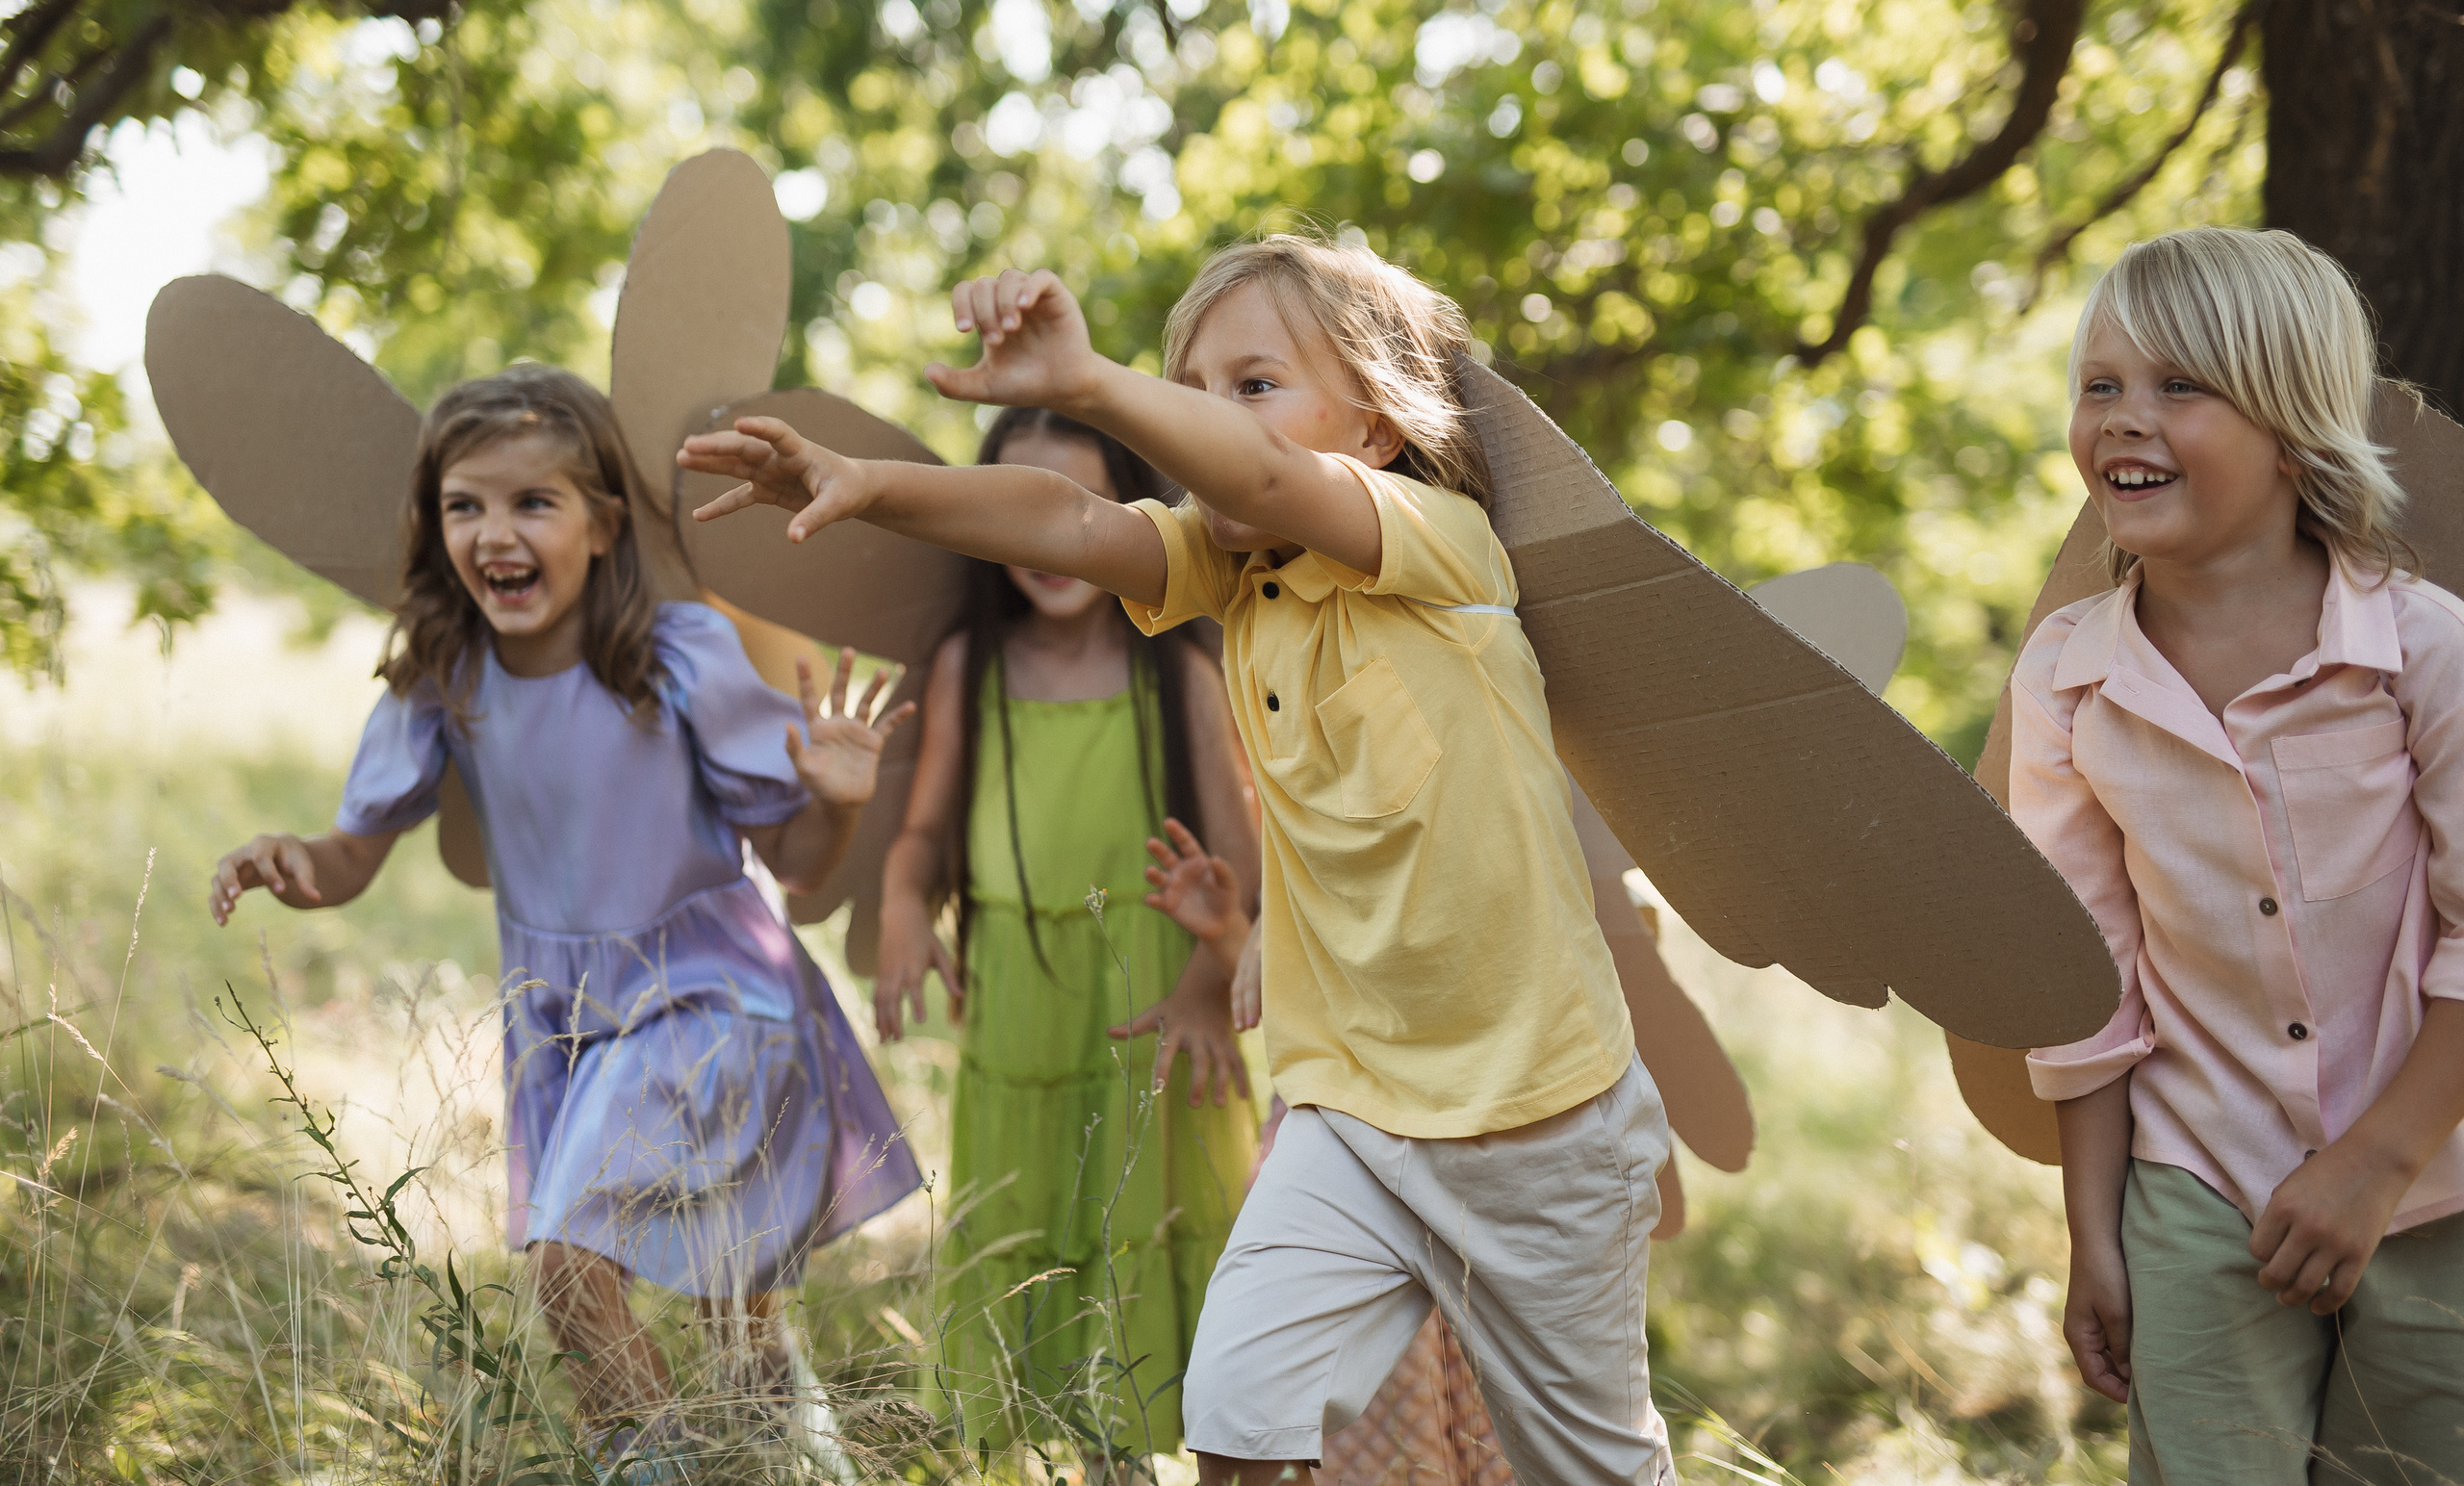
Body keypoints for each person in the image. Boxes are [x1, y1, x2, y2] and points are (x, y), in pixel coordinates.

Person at [680, 233, 1671, 1485]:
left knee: (1589, 1467)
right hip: (1352, 1107)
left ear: (1372, 425)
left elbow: (1262, 472)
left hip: (1540, 1117)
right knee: (1237, 1414)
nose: (1212, 419)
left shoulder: (1437, 547)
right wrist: (868, 481)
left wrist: (1091, 379)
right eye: (1188, 387)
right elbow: (1068, 515)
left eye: (1251, 381)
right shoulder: (1230, 574)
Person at [208, 365, 923, 1471]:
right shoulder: (441, 677)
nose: (496, 532)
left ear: (602, 525)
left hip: (713, 997)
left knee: (565, 1264)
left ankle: (680, 1469)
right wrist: (293, 862)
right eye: (465, 504)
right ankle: (780, 1457)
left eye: (532, 502)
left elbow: (795, 866)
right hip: (568, 1026)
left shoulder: (675, 656)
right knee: (734, 1314)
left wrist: (834, 803)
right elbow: (353, 852)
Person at [2015, 228, 2464, 1484]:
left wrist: (2376, 1163)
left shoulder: (2426, 652)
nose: (2122, 419)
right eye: (2100, 385)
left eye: (2179, 386)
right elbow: (2079, 977)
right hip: (2195, 1179)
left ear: (2290, 425)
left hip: (2438, 1172)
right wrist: (2093, 1230)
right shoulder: (2068, 676)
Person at [870, 404, 1260, 1460]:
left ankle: (1132, 1464)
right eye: (1015, 511)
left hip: (1155, 1021)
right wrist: (905, 907)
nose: (1045, 541)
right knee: (1031, 1258)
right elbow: (921, 841)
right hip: (1019, 1023)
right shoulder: (970, 669)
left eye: (1075, 510)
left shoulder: (1178, 674)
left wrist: (1212, 969)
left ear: (1134, 518)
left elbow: (1245, 878)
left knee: (1146, 1262)